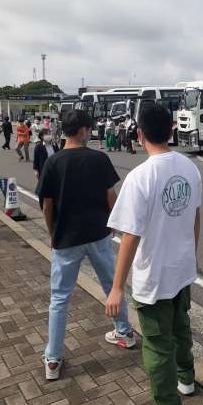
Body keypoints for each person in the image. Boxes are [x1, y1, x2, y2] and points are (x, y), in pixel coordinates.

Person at [105, 105, 202, 405]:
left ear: (139, 134)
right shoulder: (190, 167)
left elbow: (129, 236)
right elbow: (195, 217)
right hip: (182, 269)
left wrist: (116, 287)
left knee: (158, 345)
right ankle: (187, 378)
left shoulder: (140, 177)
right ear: (171, 130)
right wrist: (190, 254)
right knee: (181, 327)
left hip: (154, 274)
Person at [37, 110, 134, 381]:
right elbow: (110, 196)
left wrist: (52, 234)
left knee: (59, 298)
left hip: (66, 238)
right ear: (82, 130)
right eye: (88, 129)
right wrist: (114, 224)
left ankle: (53, 359)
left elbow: (47, 204)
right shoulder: (98, 158)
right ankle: (124, 332)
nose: (90, 132)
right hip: (98, 234)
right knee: (112, 285)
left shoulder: (54, 162)